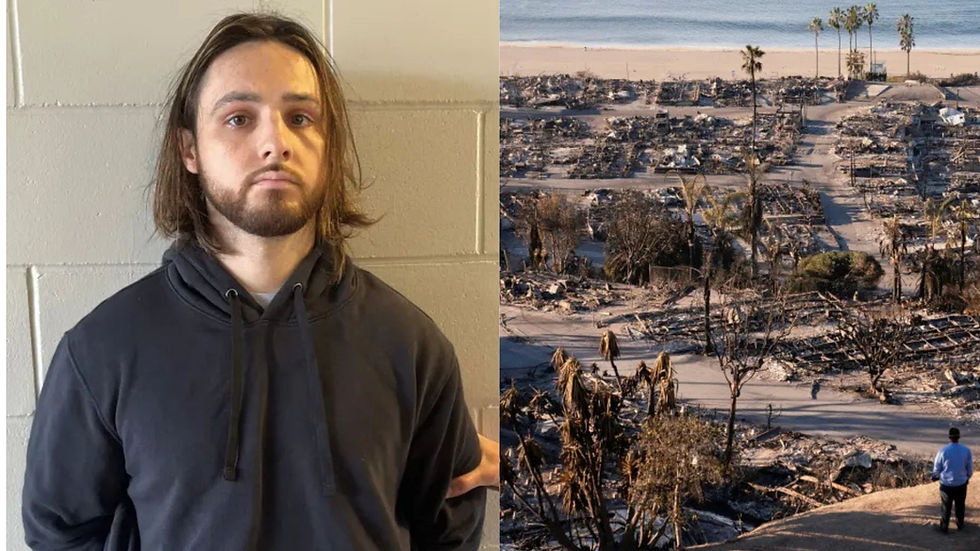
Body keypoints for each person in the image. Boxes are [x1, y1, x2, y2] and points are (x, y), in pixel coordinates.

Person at [22, 12, 489, 550]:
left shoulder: (411, 345)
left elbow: (448, 530)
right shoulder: (102, 352)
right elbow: (61, 533)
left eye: (301, 118)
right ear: (189, 149)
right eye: (239, 118)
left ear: (329, 145)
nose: (276, 143)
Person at [931, 427, 973, 533]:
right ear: (959, 437)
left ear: (949, 437)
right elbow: (970, 469)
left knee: (946, 506)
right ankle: (960, 524)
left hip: (946, 485)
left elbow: (937, 468)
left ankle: (944, 527)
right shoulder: (966, 450)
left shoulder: (943, 451)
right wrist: (966, 477)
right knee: (960, 505)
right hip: (961, 483)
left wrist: (935, 476)